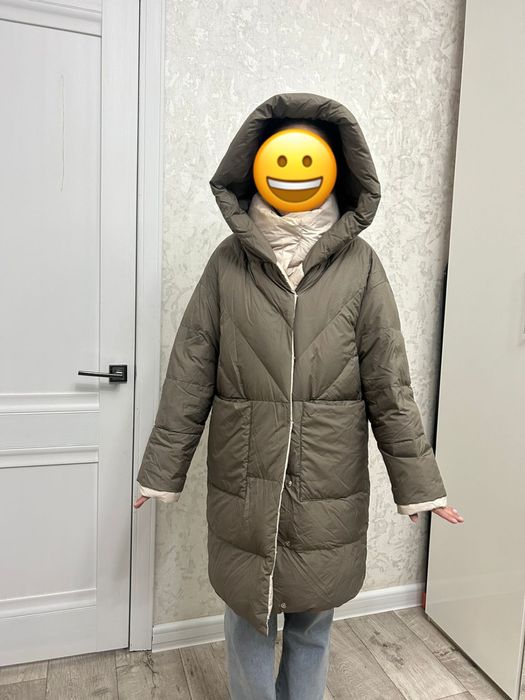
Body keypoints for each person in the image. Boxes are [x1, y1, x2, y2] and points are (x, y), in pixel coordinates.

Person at [134, 93, 464, 700]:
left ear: (338, 168)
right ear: (255, 166)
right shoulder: (227, 265)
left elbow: (389, 383)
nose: (293, 170)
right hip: (246, 476)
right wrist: (161, 470)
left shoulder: (361, 266)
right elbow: (189, 370)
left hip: (326, 478)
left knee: (313, 617)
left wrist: (419, 482)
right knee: (248, 616)